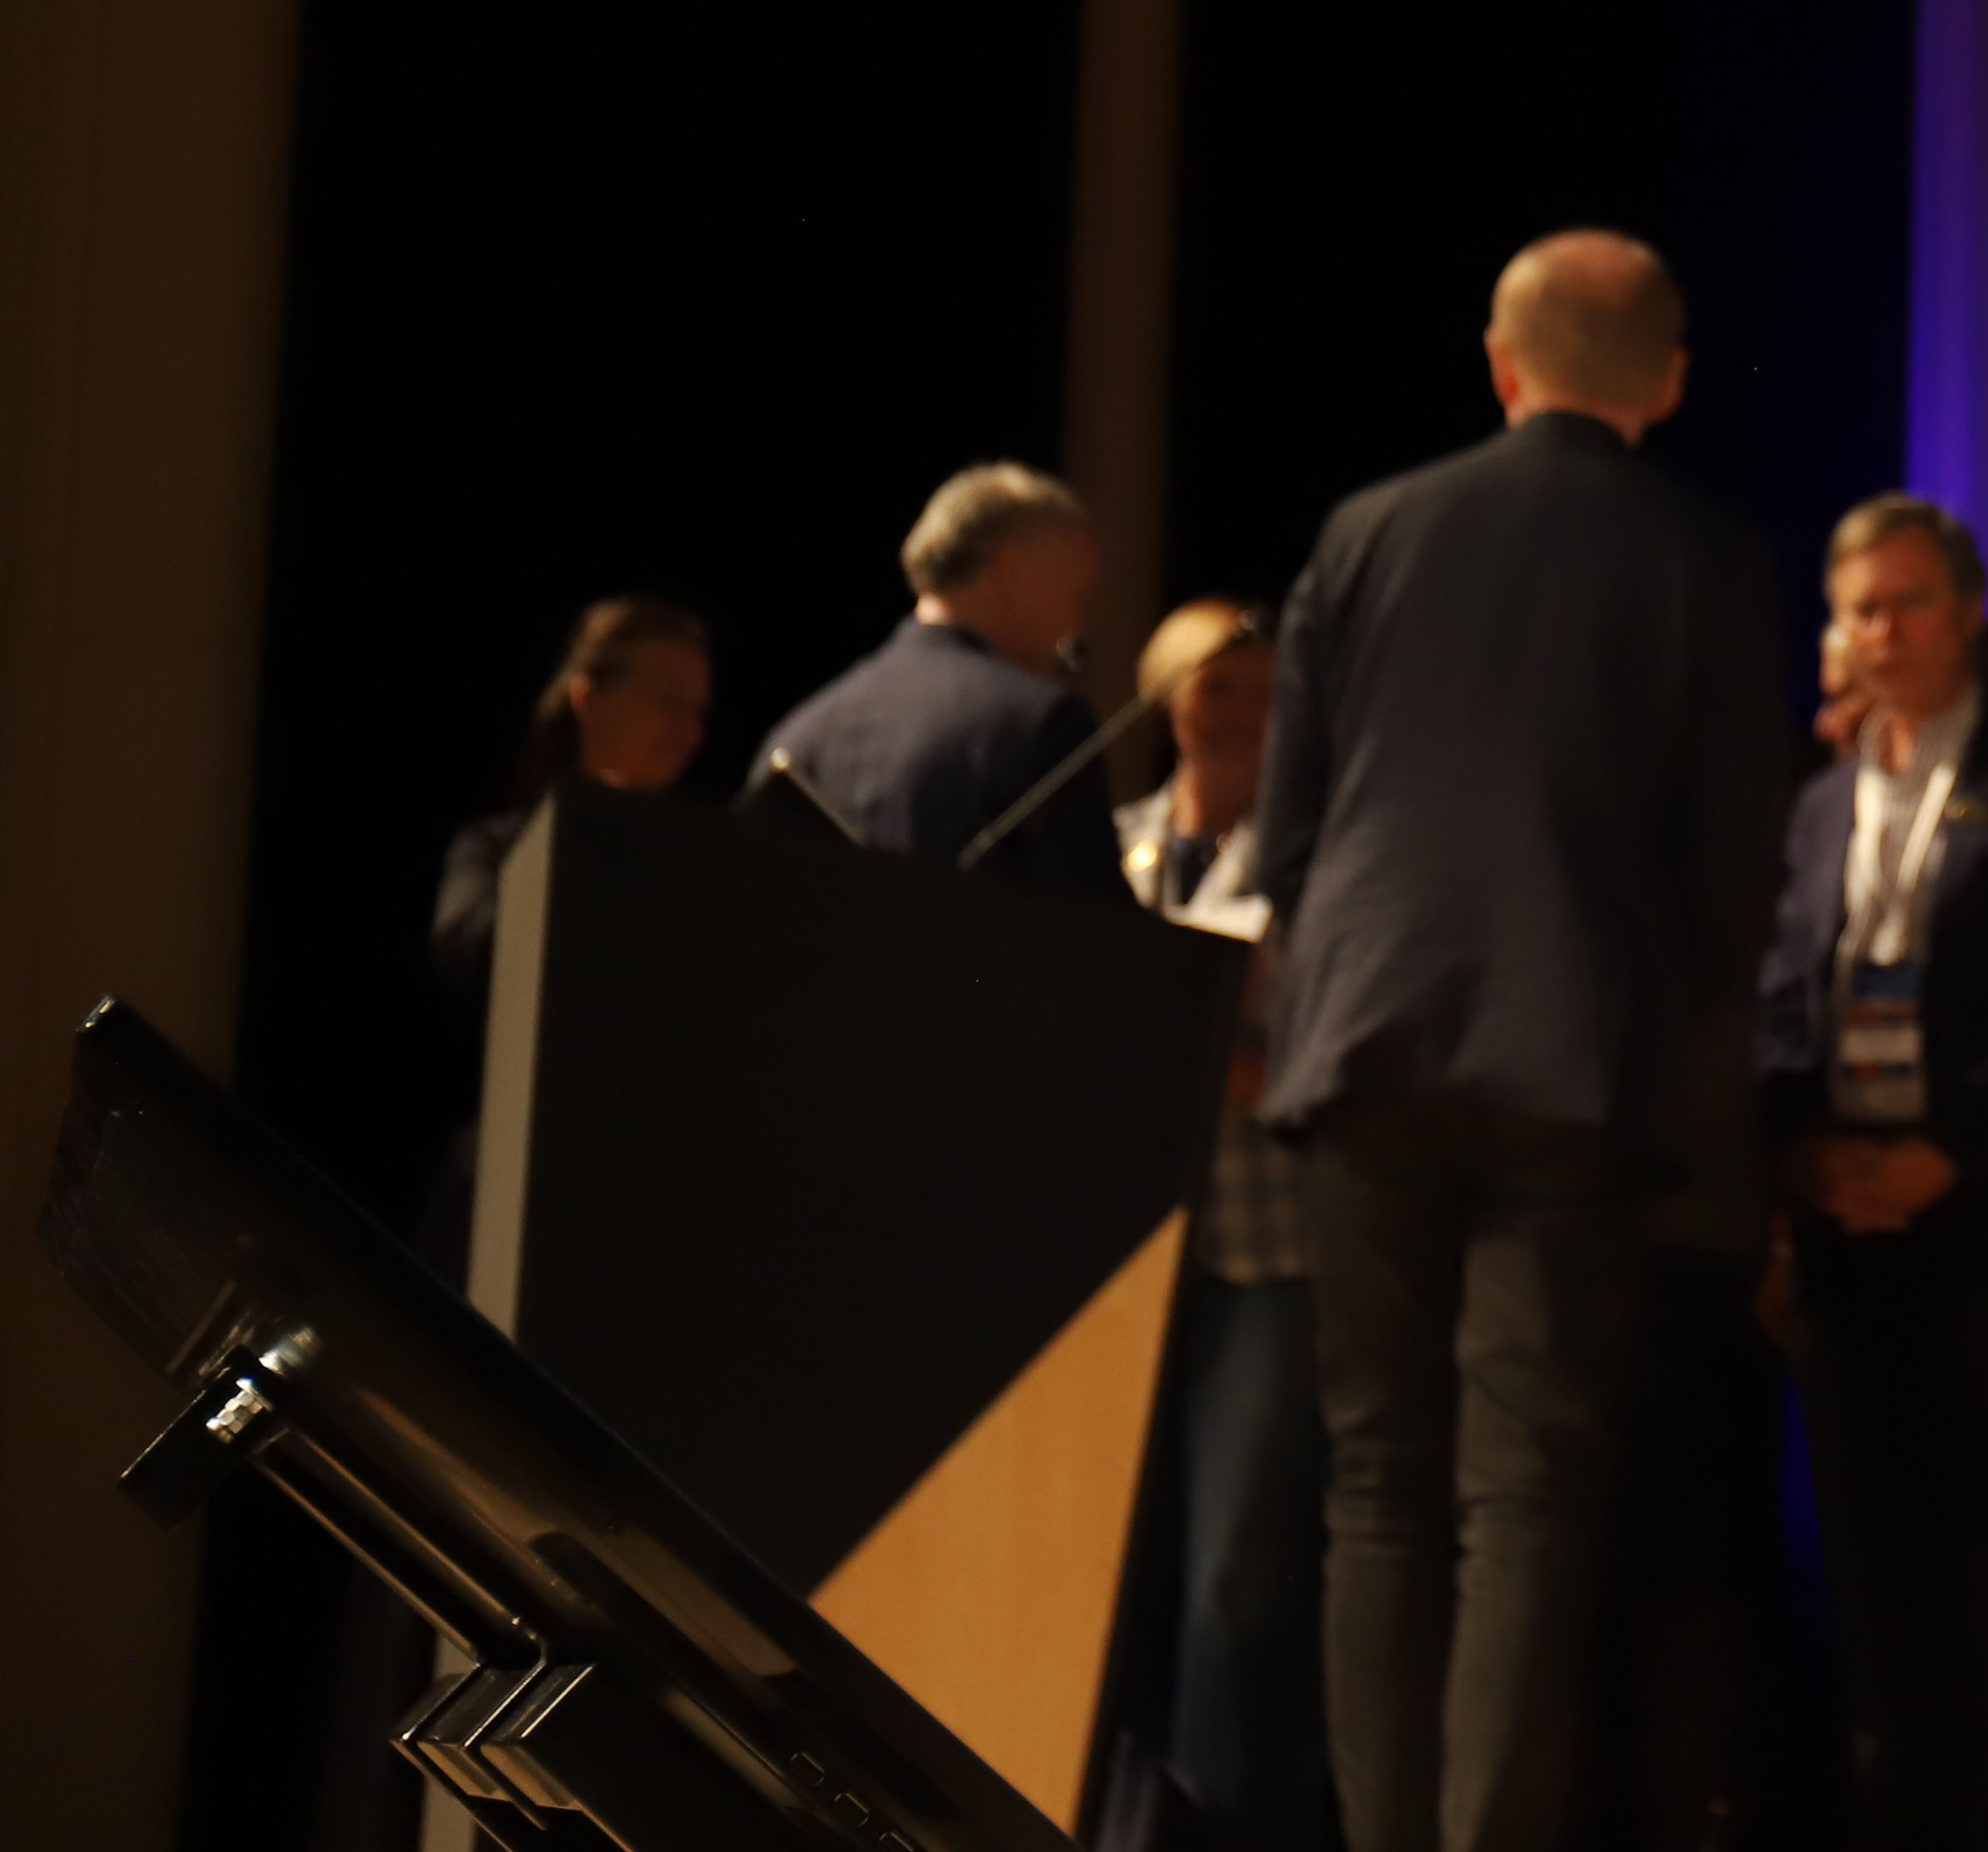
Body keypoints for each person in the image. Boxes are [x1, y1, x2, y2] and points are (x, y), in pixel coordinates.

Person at [1257, 231, 1788, 1852]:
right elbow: (1738, 872)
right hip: (1578, 1061)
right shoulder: (1707, 558)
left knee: (1376, 1488)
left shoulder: (1366, 530)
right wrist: (1672, 1035)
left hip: (1365, 1043)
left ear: (1501, 364)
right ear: (1670, 382)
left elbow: (1290, 840)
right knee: (1528, 1501)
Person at [1761, 493, 1988, 1849]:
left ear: (1965, 613)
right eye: (1863, 610)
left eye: (1911, 604)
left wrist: (1951, 1151)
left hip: (1982, 1214)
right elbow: (1782, 990)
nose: (1886, 632)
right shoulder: (1815, 802)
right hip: (1841, 1222)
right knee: (1867, 1563)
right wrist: (1800, 1151)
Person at [1107, 598, 1329, 1852]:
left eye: (1257, 688)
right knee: (1129, 1566)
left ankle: (1223, 1830)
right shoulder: (1112, 846)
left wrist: (1202, 1058)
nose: (1236, 708)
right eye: (1212, 683)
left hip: (1268, 1253)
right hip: (1131, 1261)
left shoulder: (1312, 859)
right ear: (1163, 695)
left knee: (1239, 1578)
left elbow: (1317, 1056)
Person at [758, 462, 1119, 891]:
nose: (1078, 628)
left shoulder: (798, 736)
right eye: (1078, 599)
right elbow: (1097, 923)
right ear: (1013, 574)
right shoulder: (1044, 722)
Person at [430, 594, 715, 1008]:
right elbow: (467, 950)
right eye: (669, 702)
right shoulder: (496, 848)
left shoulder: (706, 859)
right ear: (589, 699)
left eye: (697, 711)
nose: (691, 732)